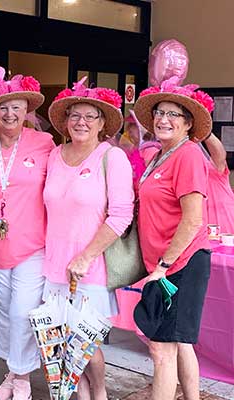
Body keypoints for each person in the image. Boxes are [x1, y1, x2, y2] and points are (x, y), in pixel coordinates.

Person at [0, 66, 55, 400]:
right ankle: (13, 373)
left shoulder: (45, 143)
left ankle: (23, 379)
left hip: (33, 243)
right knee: (3, 315)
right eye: (3, 107)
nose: (9, 113)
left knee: (23, 312)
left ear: (26, 111)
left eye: (16, 107)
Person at [44, 78, 134, 400]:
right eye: (75, 116)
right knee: (62, 341)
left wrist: (85, 257)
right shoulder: (54, 155)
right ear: (66, 123)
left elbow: (122, 215)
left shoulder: (112, 158)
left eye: (89, 117)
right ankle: (79, 394)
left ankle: (99, 392)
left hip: (90, 268)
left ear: (101, 124)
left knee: (86, 341)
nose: (81, 122)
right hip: (54, 265)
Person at [133, 78, 214, 400]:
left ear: (188, 123)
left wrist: (164, 266)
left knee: (160, 350)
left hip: (180, 264)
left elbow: (193, 218)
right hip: (167, 264)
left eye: (173, 114)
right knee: (180, 343)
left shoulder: (188, 154)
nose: (163, 119)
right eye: (159, 112)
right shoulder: (162, 154)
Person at [200, 133, 234, 232]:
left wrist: (205, 132)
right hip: (200, 240)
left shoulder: (211, 170)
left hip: (227, 236)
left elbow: (219, 154)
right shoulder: (180, 176)